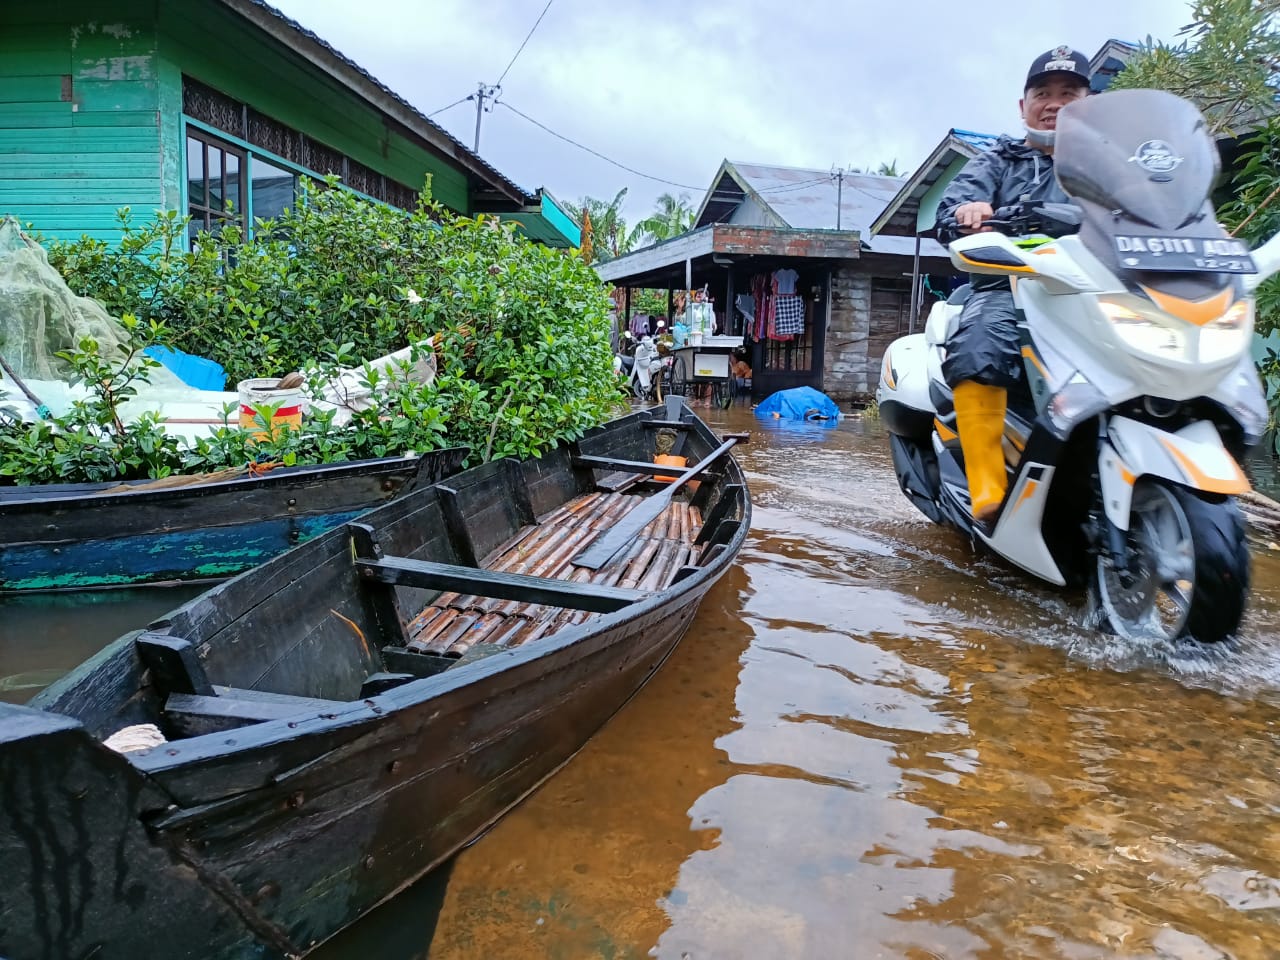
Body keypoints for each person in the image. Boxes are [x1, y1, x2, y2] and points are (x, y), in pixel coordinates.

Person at [935, 45, 1090, 524]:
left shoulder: (1108, 164)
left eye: (1069, 93)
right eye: (1043, 93)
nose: (1054, 103)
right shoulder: (998, 160)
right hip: (1014, 287)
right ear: (1024, 106)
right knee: (980, 343)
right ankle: (987, 486)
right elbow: (949, 213)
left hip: (1098, 290)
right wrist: (969, 212)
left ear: (1089, 103)